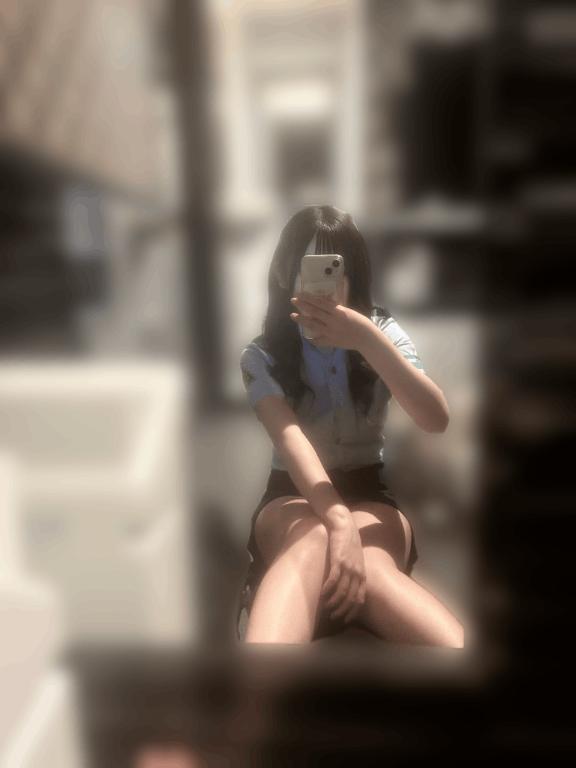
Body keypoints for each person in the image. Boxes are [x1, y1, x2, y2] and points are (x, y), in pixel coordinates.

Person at [236, 205, 464, 647]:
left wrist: (365, 340)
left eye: (336, 268)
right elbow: (290, 440)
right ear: (284, 273)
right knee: (311, 538)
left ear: (353, 274)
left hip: (368, 488)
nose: (326, 284)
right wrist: (338, 520)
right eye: (310, 267)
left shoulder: (380, 332)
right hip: (292, 490)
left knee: (373, 571)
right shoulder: (261, 355)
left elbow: (435, 418)